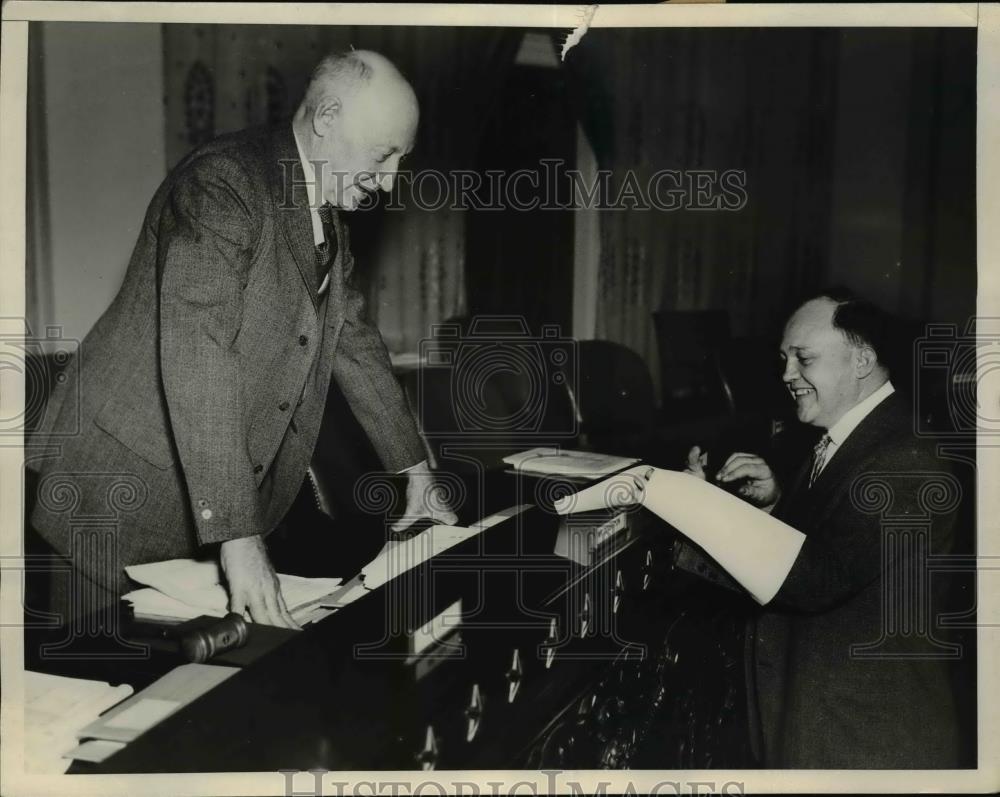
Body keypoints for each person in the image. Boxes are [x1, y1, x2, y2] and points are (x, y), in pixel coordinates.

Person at [29, 50, 456, 629]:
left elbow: (354, 343)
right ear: (327, 117)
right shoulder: (224, 182)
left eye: (402, 159)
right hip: (112, 491)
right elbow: (199, 349)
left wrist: (418, 475)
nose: (390, 180)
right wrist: (238, 533)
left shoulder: (326, 216)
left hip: (199, 498)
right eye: (384, 155)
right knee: (100, 688)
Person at [557, 289, 964, 767]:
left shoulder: (902, 461)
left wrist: (693, 502)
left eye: (804, 359)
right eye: (784, 358)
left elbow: (813, 579)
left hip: (862, 740)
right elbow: (838, 543)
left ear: (862, 361)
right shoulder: (860, 436)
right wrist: (774, 506)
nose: (787, 374)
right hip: (816, 719)